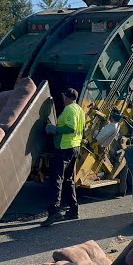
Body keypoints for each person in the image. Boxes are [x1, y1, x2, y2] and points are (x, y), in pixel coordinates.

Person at [40, 87, 86, 227]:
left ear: (67, 97)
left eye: (64, 96)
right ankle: (73, 210)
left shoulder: (69, 109)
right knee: (69, 179)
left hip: (65, 148)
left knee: (57, 179)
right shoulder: (79, 109)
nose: (62, 98)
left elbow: (71, 128)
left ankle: (54, 212)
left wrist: (55, 129)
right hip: (75, 147)